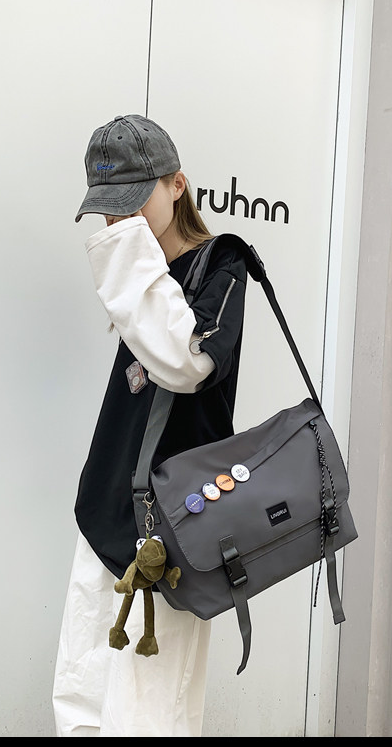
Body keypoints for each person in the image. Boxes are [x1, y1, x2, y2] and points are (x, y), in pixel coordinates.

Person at [52, 114, 248, 737]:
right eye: (109, 208)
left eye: (134, 200)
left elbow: (187, 362)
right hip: (106, 504)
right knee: (83, 685)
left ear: (177, 185)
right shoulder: (144, 275)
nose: (121, 220)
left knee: (148, 707)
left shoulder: (220, 266)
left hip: (174, 523)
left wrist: (131, 259)